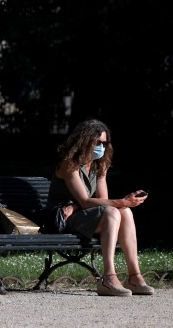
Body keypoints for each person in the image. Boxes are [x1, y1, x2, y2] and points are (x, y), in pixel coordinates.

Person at [47, 118, 154, 297]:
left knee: (125, 212)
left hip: (82, 215)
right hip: (62, 220)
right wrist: (121, 201)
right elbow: (86, 201)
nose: (101, 148)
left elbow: (102, 200)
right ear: (84, 141)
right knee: (116, 209)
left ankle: (134, 276)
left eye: (104, 143)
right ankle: (108, 277)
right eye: (97, 143)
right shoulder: (69, 164)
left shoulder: (99, 165)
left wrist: (123, 204)